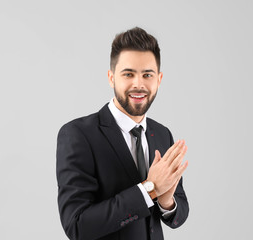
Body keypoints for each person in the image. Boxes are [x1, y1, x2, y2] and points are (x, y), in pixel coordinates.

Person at [56, 27, 189, 240]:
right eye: (128, 74)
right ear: (111, 78)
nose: (139, 84)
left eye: (148, 75)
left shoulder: (162, 134)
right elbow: (77, 226)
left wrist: (167, 202)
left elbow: (178, 213)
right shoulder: (78, 135)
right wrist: (149, 190)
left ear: (159, 79)